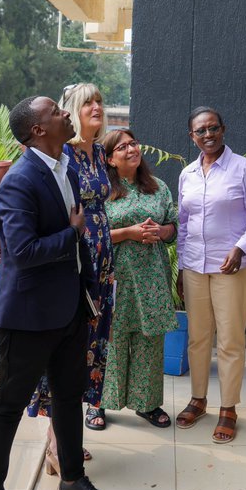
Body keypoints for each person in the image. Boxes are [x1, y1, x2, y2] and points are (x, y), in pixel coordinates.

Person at [0, 96, 102, 490]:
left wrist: (88, 290)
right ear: (37, 130)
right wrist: (73, 233)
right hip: (28, 317)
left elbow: (78, 243)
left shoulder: (66, 169)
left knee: (69, 398)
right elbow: (23, 251)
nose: (66, 113)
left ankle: (72, 480)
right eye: (56, 112)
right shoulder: (19, 180)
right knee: (9, 406)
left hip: (69, 310)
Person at [175, 106, 246, 443]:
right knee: (198, 337)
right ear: (192, 136)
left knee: (230, 340)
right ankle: (198, 400)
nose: (208, 135)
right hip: (194, 267)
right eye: (200, 131)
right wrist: (181, 268)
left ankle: (228, 408)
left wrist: (240, 248)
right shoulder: (187, 174)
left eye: (213, 128)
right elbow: (183, 224)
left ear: (223, 129)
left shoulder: (244, 168)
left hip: (232, 268)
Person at [27, 83, 116, 440]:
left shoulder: (99, 151)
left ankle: (69, 433)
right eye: (87, 103)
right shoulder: (64, 153)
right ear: (73, 111)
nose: (96, 107)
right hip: (76, 258)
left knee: (91, 344)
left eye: (99, 101)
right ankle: (56, 441)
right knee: (68, 346)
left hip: (103, 264)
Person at [101, 128, 178, 427]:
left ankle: (147, 404)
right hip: (115, 278)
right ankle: (99, 403)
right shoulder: (102, 190)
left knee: (150, 340)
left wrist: (161, 231)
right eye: (122, 147)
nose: (131, 149)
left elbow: (173, 227)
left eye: (133, 144)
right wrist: (128, 233)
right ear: (110, 159)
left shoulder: (158, 187)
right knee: (112, 338)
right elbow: (91, 235)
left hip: (152, 278)